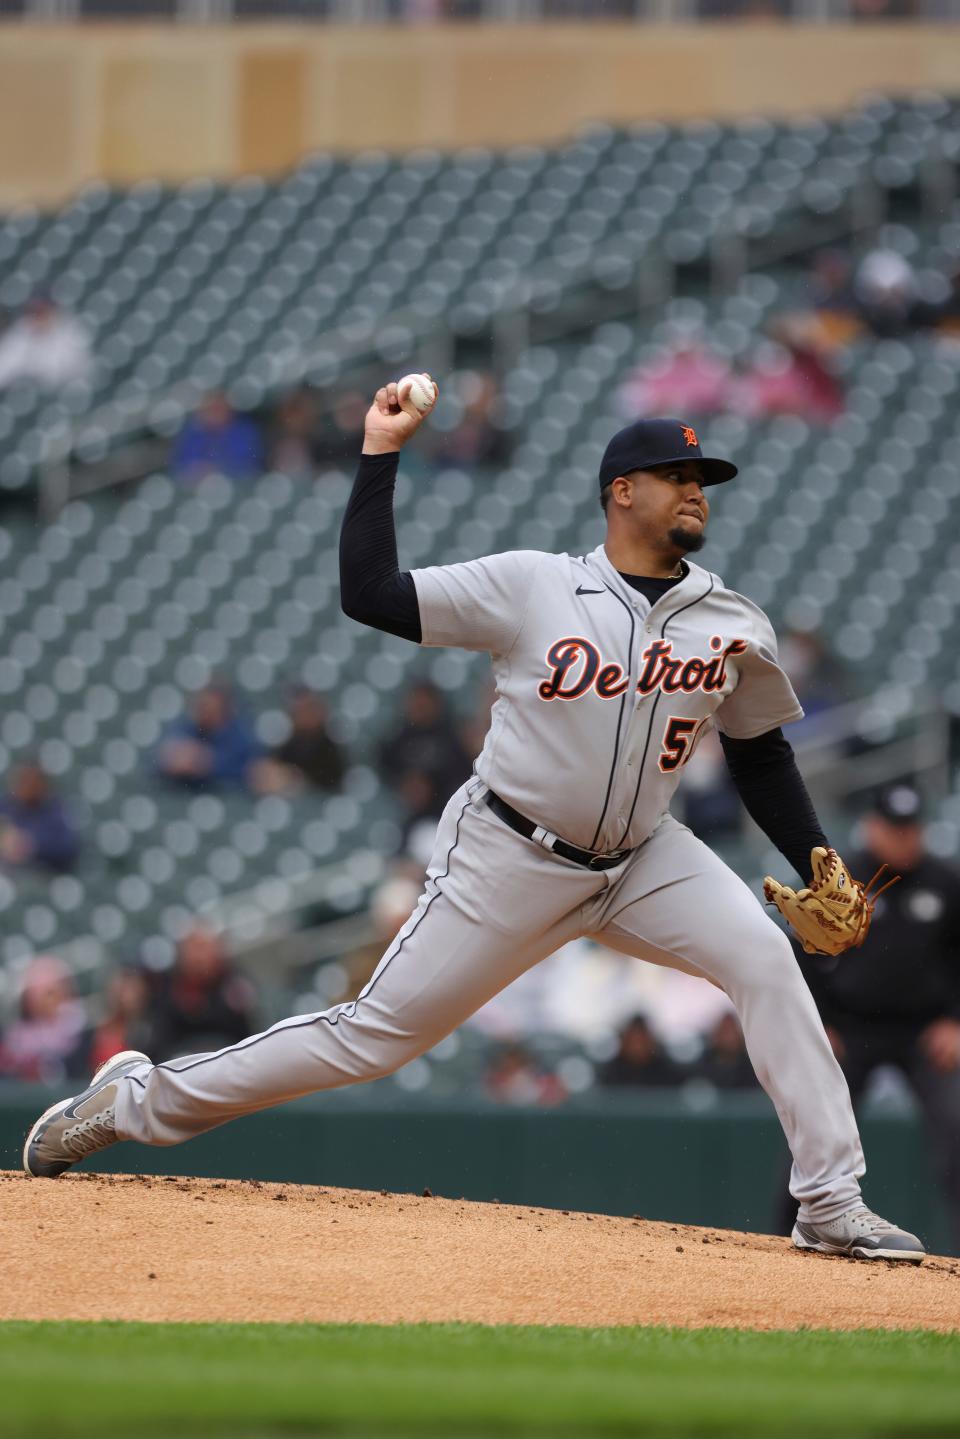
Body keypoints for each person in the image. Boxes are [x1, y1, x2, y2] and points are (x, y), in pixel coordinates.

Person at [24, 382, 925, 1264]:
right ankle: (134, 1100)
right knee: (372, 1036)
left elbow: (760, 752)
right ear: (621, 491)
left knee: (768, 959)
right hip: (510, 852)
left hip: (646, 858)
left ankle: (831, 1202)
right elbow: (371, 592)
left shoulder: (729, 620)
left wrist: (816, 856)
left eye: (704, 478)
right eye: (676, 473)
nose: (696, 490)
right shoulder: (534, 585)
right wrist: (380, 453)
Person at [799, 785, 960, 1249]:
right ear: (872, 827)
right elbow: (804, 954)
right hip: (852, 1030)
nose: (905, 838)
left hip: (925, 1034)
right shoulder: (842, 880)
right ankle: (783, 1241)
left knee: (956, 1130)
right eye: (895, 829)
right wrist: (819, 1023)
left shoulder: (947, 883)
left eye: (912, 829)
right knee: (814, 1137)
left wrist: (954, 1020)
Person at [147, 925, 257, 1063]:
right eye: (193, 948)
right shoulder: (165, 988)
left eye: (204, 947)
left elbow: (247, 1035)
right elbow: (159, 1042)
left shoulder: (233, 983)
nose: (198, 956)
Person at [154, 683, 262, 792]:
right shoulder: (188, 727)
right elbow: (166, 755)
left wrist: (204, 760)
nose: (205, 712)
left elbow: (249, 769)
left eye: (210, 707)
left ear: (223, 709)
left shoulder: (241, 735)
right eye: (202, 706)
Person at [0, 956, 86, 1083]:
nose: (46, 1001)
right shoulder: (16, 1035)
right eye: (35, 995)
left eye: (50, 993)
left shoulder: (79, 1028)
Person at [252, 687, 346, 795]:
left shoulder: (330, 745)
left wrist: (299, 778)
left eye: (310, 709)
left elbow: (332, 780)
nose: (304, 715)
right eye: (300, 710)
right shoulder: (288, 743)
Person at [0, 761, 81, 874]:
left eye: (33, 782)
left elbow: (68, 848)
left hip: (40, 876)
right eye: (24, 780)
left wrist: (30, 845)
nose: (28, 786)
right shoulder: (4, 806)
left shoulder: (54, 811)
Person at [0, 294, 94, 391]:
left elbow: (84, 370)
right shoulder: (22, 332)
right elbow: (3, 369)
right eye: (32, 312)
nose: (36, 318)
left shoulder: (71, 330)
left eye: (41, 312)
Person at [171, 392, 264, 483]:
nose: (214, 412)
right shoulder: (192, 434)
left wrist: (218, 470)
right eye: (210, 408)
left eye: (219, 408)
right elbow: (179, 468)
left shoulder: (244, 432)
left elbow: (250, 467)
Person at [599, 1014, 686, 1090]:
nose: (637, 1047)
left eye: (641, 1041)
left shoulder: (666, 1073)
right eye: (633, 1041)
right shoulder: (611, 1073)